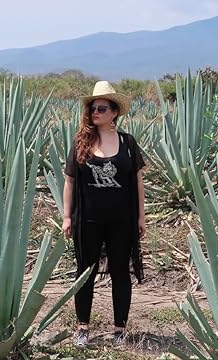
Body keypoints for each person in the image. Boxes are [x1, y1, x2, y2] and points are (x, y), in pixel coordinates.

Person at [62, 81, 146, 348]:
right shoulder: (81, 142)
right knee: (85, 272)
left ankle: (120, 330)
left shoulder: (127, 143)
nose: (94, 112)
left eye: (101, 108)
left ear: (114, 112)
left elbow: (138, 181)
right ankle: (82, 328)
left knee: (121, 272)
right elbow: (70, 181)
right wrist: (66, 217)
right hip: (88, 219)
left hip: (121, 220)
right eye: (92, 108)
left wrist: (141, 217)